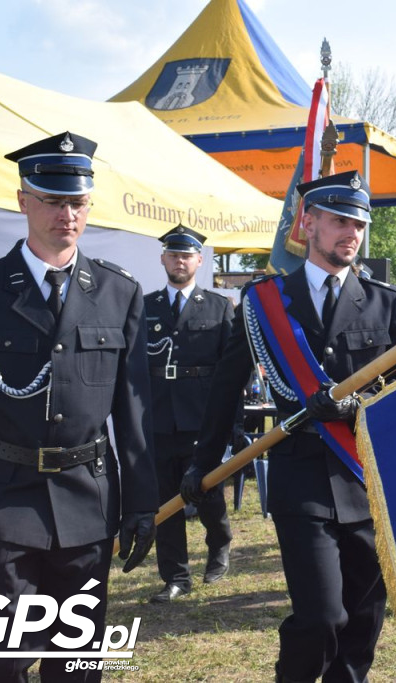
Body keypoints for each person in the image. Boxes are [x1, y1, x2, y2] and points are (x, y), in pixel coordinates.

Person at [180, 170, 396, 683]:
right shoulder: (265, 302)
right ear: (308, 223)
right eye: (338, 221)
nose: (351, 233)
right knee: (321, 618)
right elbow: (227, 386)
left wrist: (356, 407)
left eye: (358, 223)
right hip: (301, 480)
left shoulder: (386, 301)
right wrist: (203, 461)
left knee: (363, 623)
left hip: (366, 482)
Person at [0, 131, 157, 681]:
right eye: (53, 200)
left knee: (78, 667)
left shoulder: (118, 291)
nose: (67, 214)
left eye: (77, 202)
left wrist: (140, 502)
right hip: (3, 500)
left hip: (87, 503)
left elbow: (133, 414)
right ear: (22, 201)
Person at [145, 225, 234, 604]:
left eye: (187, 255)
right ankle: (176, 577)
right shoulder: (144, 306)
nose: (180, 261)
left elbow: (231, 368)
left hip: (201, 415)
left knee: (205, 489)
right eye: (173, 254)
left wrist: (230, 420)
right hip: (159, 414)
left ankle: (219, 542)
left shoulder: (217, 307)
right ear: (163, 258)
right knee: (165, 500)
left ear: (199, 260)